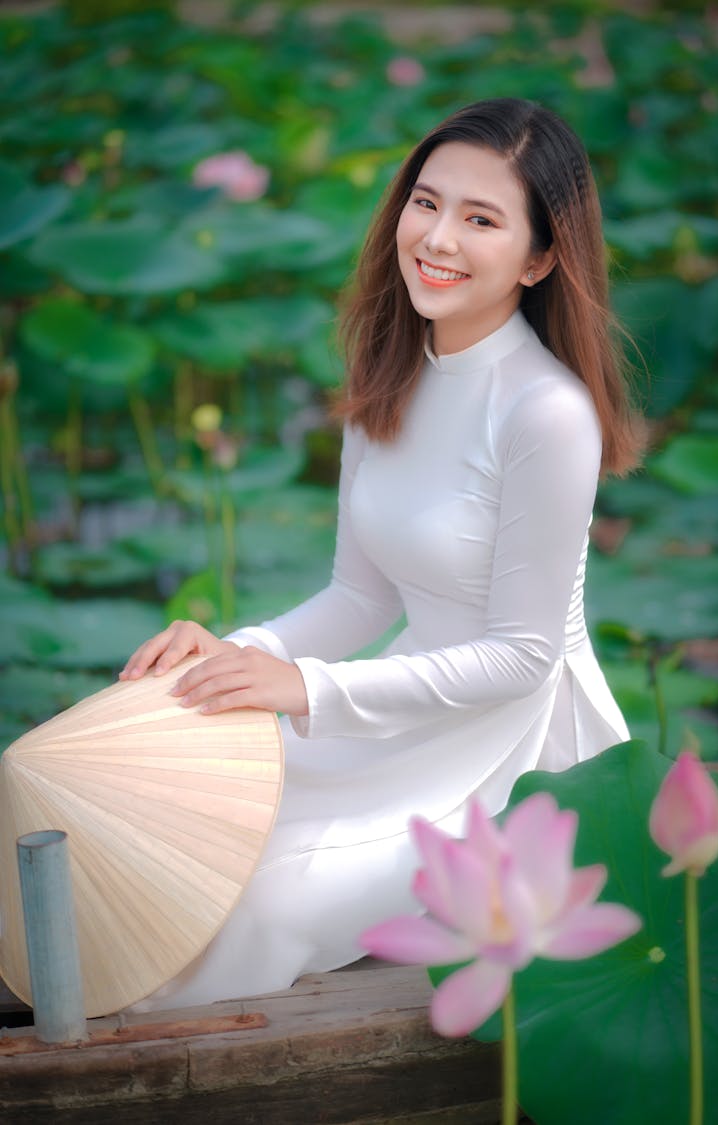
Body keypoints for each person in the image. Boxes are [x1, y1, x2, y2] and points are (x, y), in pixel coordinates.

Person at [121, 97, 644, 1010]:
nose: (437, 238)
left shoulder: (545, 412)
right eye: (426, 202)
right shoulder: (395, 367)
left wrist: (313, 691)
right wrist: (244, 652)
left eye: (481, 219)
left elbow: (523, 659)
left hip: (516, 756)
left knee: (263, 898)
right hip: (405, 713)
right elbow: (358, 596)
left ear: (540, 257)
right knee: (171, 816)